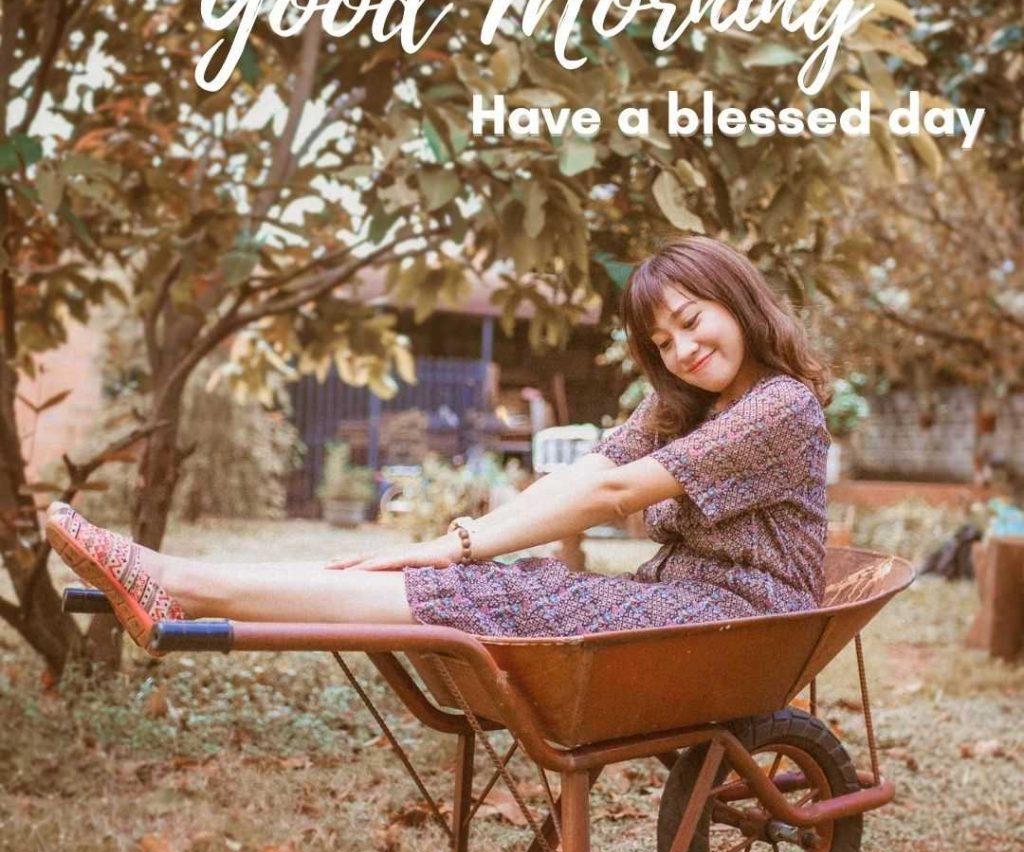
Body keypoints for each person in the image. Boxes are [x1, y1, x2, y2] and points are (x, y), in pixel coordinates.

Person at [46, 237, 833, 654]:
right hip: (690, 607)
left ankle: (178, 582)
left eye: (693, 322)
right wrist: (455, 544)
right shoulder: (682, 409)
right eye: (662, 341)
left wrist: (453, 548)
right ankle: (188, 583)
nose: (682, 350)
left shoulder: (781, 408)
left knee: (488, 589)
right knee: (503, 582)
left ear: (739, 303)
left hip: (744, 626)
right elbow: (589, 472)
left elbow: (615, 496)